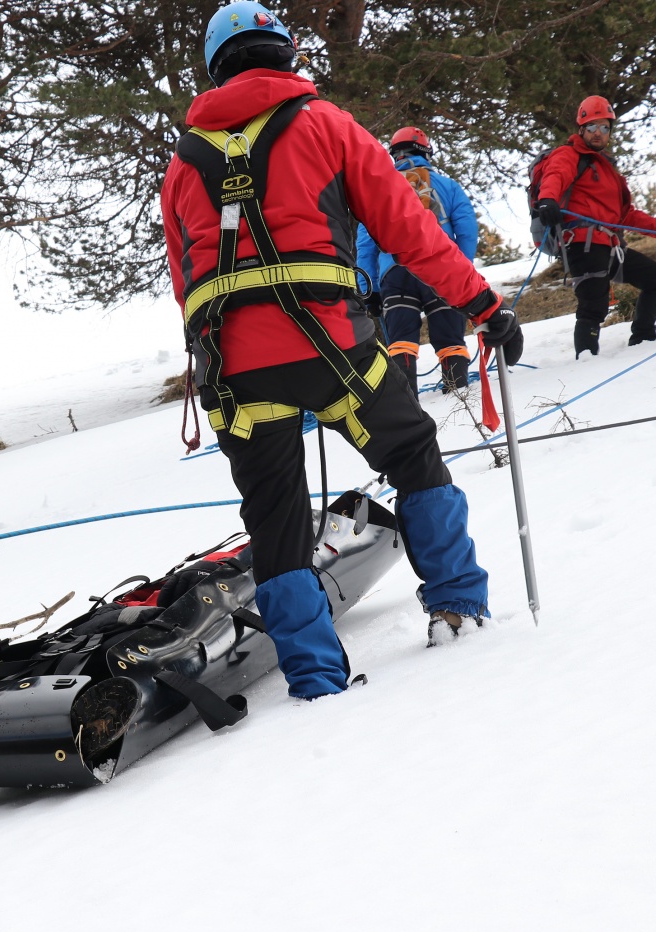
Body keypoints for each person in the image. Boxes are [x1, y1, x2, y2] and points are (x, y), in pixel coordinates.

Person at [161, 1, 523, 699]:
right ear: (285, 53)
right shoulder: (327, 126)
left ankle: (315, 679)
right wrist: (481, 305)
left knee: (275, 519)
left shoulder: (182, 164)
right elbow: (409, 231)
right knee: (413, 454)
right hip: (333, 350)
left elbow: (186, 283)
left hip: (236, 373)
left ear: (216, 69)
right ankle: (456, 603)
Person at [533, 95, 656, 358]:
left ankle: (643, 340)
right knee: (593, 306)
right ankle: (586, 363)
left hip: (610, 246)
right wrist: (547, 200)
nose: (599, 133)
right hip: (583, 245)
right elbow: (555, 177)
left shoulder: (606, 167)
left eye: (605, 127)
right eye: (593, 127)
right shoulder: (568, 155)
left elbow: (627, 215)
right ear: (581, 129)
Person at [357, 127, 481, 395]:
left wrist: (370, 291)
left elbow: (365, 245)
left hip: (395, 272)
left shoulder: (381, 191)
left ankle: (407, 400)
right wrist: (462, 270)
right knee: (449, 334)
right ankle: (457, 391)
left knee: (401, 339)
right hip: (441, 267)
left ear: (395, 155)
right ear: (427, 153)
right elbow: (467, 230)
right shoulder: (447, 186)